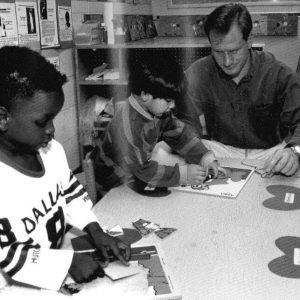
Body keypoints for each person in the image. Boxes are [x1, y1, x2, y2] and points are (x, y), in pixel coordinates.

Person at [0, 46, 130, 291]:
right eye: (43, 121)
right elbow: (6, 254)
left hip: (59, 263)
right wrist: (66, 263)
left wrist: (95, 230)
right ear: (3, 117)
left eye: (54, 119)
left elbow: (70, 196)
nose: (51, 130)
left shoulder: (52, 151)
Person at [180, 3, 300, 176]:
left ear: (249, 40)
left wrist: (294, 151)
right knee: (164, 151)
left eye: (234, 51)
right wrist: (195, 147)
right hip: (220, 150)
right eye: (218, 52)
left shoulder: (278, 73)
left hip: (272, 153)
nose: (227, 62)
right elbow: (184, 120)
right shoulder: (198, 72)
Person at [93, 55, 225, 193]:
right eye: (168, 101)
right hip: (113, 182)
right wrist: (183, 175)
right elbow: (143, 170)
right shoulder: (129, 126)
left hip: (136, 170)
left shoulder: (156, 110)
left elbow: (181, 136)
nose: (173, 106)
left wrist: (205, 158)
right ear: (145, 95)